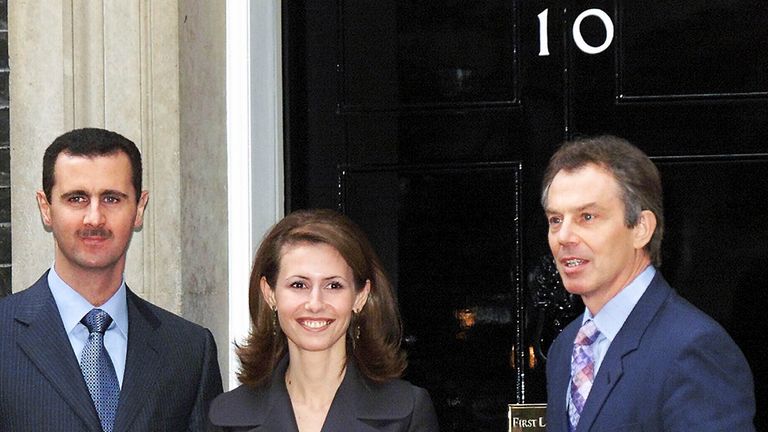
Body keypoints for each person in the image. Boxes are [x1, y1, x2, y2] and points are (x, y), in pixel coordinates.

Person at [0, 128, 223, 431]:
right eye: (77, 198)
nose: (94, 218)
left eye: (112, 199)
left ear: (139, 208)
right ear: (46, 207)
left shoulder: (189, 351)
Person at [541, 135, 756, 431]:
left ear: (641, 229)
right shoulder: (564, 349)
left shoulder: (693, 348)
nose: (564, 236)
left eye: (587, 216)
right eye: (555, 220)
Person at [209, 209, 439, 431]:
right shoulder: (229, 417)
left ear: (360, 297)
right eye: (298, 285)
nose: (315, 303)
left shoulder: (407, 411)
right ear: (270, 294)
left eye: (333, 285)